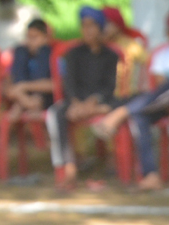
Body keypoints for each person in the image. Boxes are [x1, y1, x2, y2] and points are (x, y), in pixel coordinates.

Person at [90, 7, 169, 190]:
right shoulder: (162, 56)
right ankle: (151, 175)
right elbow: (160, 92)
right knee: (140, 117)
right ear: (168, 33)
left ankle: (120, 113)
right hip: (168, 103)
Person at [46, 6, 120, 187]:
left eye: (92, 25)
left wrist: (92, 103)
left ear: (100, 28)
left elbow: (109, 86)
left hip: (100, 101)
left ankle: (115, 159)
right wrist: (76, 103)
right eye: (84, 26)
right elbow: (69, 83)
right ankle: (67, 166)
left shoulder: (111, 55)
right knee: (55, 114)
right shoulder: (73, 53)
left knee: (120, 107)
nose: (88, 30)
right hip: (75, 102)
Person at [4, 18, 53, 122]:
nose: (30, 41)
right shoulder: (22, 53)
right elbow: (9, 86)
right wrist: (24, 99)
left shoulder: (51, 55)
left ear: (45, 38)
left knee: (44, 52)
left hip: (44, 98)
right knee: (20, 51)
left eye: (35, 37)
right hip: (22, 96)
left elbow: (56, 85)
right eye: (28, 37)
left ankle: (27, 104)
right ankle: (26, 104)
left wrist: (23, 86)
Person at [103, 6, 149, 98]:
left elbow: (148, 62)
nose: (104, 27)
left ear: (117, 24)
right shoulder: (99, 45)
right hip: (102, 95)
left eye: (107, 23)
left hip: (127, 96)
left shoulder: (130, 45)